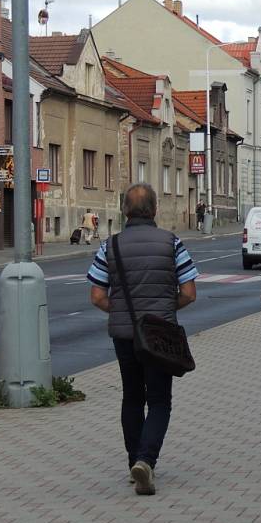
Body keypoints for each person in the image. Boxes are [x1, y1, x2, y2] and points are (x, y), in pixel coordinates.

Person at [87, 183, 198, 496]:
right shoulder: (172, 243)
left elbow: (96, 295)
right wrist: (163, 309)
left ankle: (133, 462)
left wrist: (123, 311)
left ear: (124, 211)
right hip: (160, 334)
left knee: (132, 396)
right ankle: (146, 461)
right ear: (155, 210)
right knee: (160, 400)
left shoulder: (110, 246)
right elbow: (189, 293)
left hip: (124, 335)